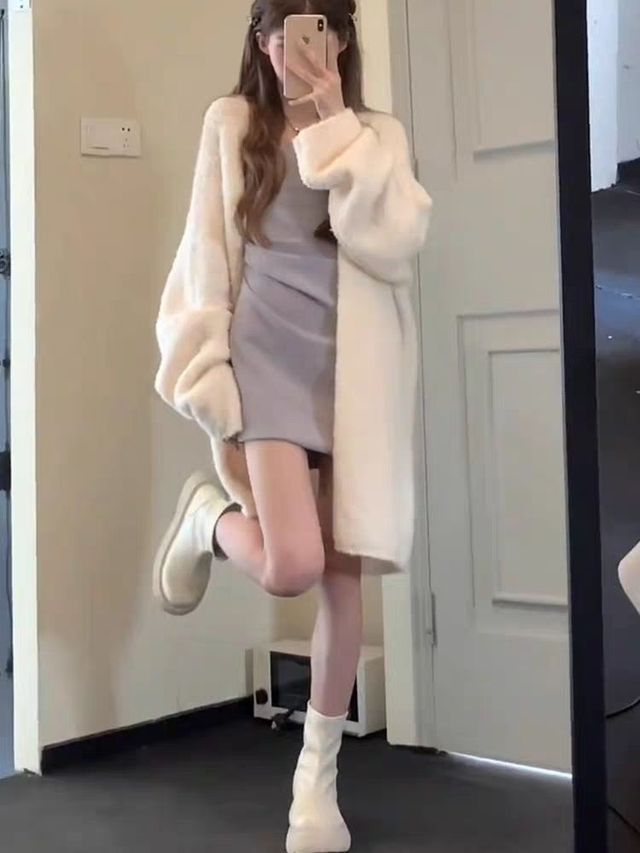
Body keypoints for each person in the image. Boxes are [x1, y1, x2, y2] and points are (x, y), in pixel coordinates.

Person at [152, 1, 432, 851]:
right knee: (292, 566)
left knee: (343, 584)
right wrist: (207, 376)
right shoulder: (232, 123)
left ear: (341, 40)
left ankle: (317, 781)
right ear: (261, 41)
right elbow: (205, 254)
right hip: (266, 365)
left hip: (354, 377)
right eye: (281, 33)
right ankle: (209, 519)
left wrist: (334, 124)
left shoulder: (375, 136)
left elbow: (395, 244)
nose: (296, 48)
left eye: (316, 30)